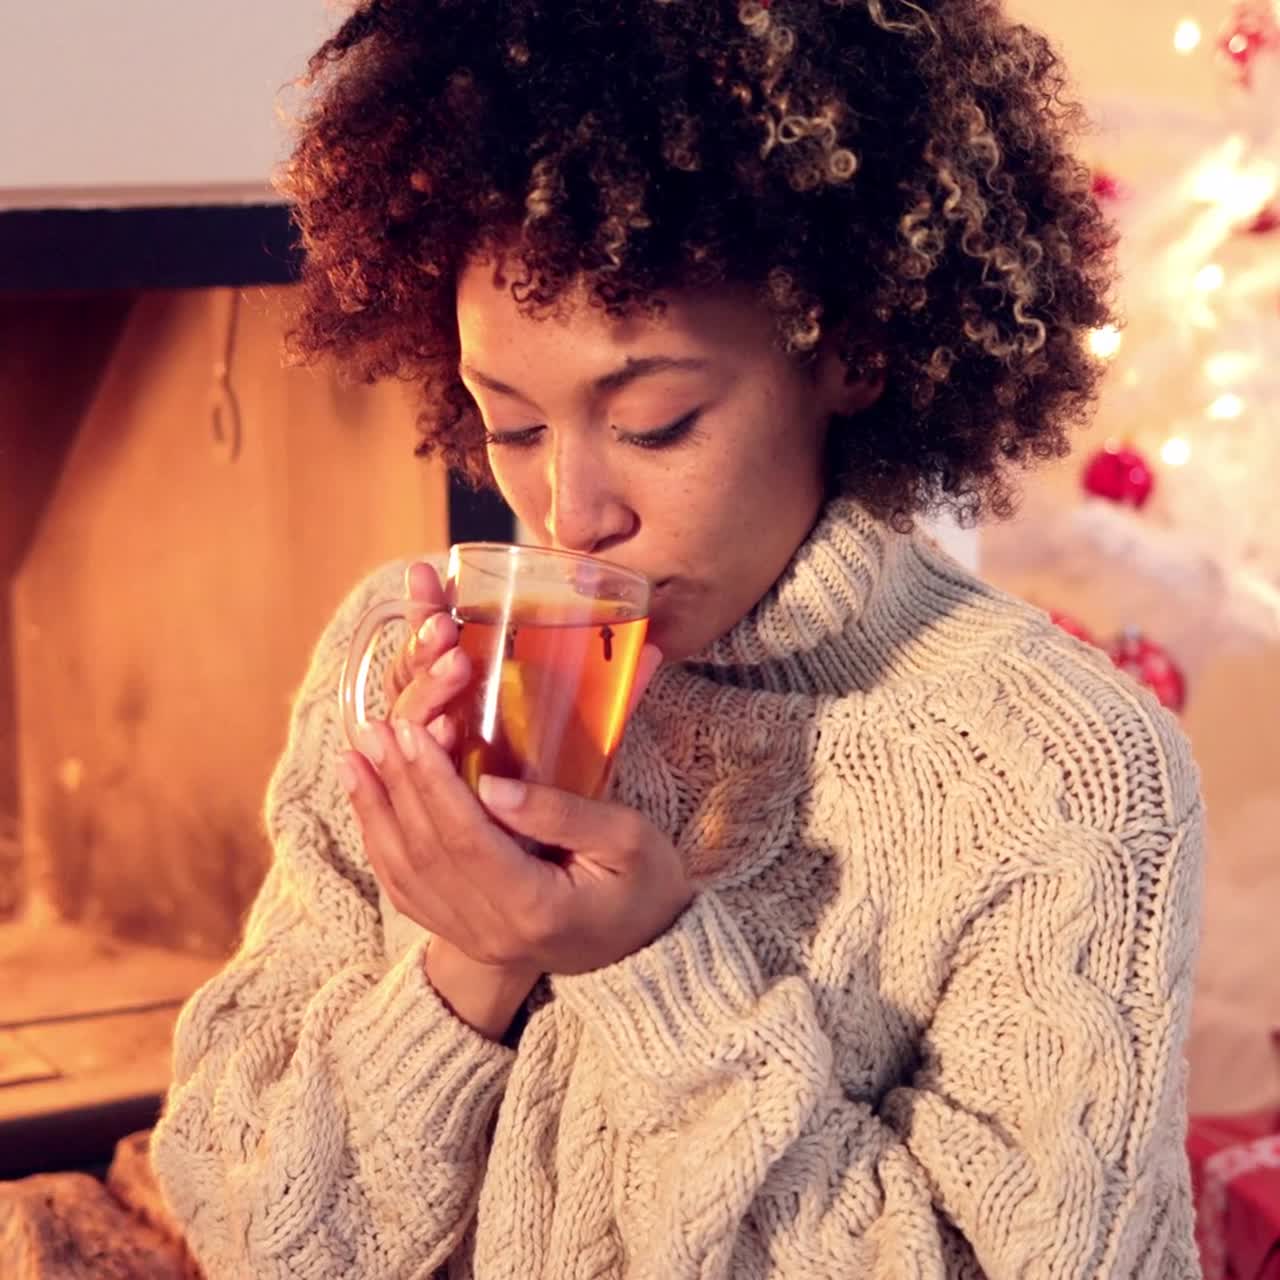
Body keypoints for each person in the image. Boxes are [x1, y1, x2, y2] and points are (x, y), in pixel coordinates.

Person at [151, 2, 1205, 1277]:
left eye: (652, 422)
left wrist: (650, 971)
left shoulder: (1059, 772)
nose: (568, 513)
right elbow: (256, 1234)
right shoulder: (397, 658)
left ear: (854, 350)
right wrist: (468, 957)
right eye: (515, 428)